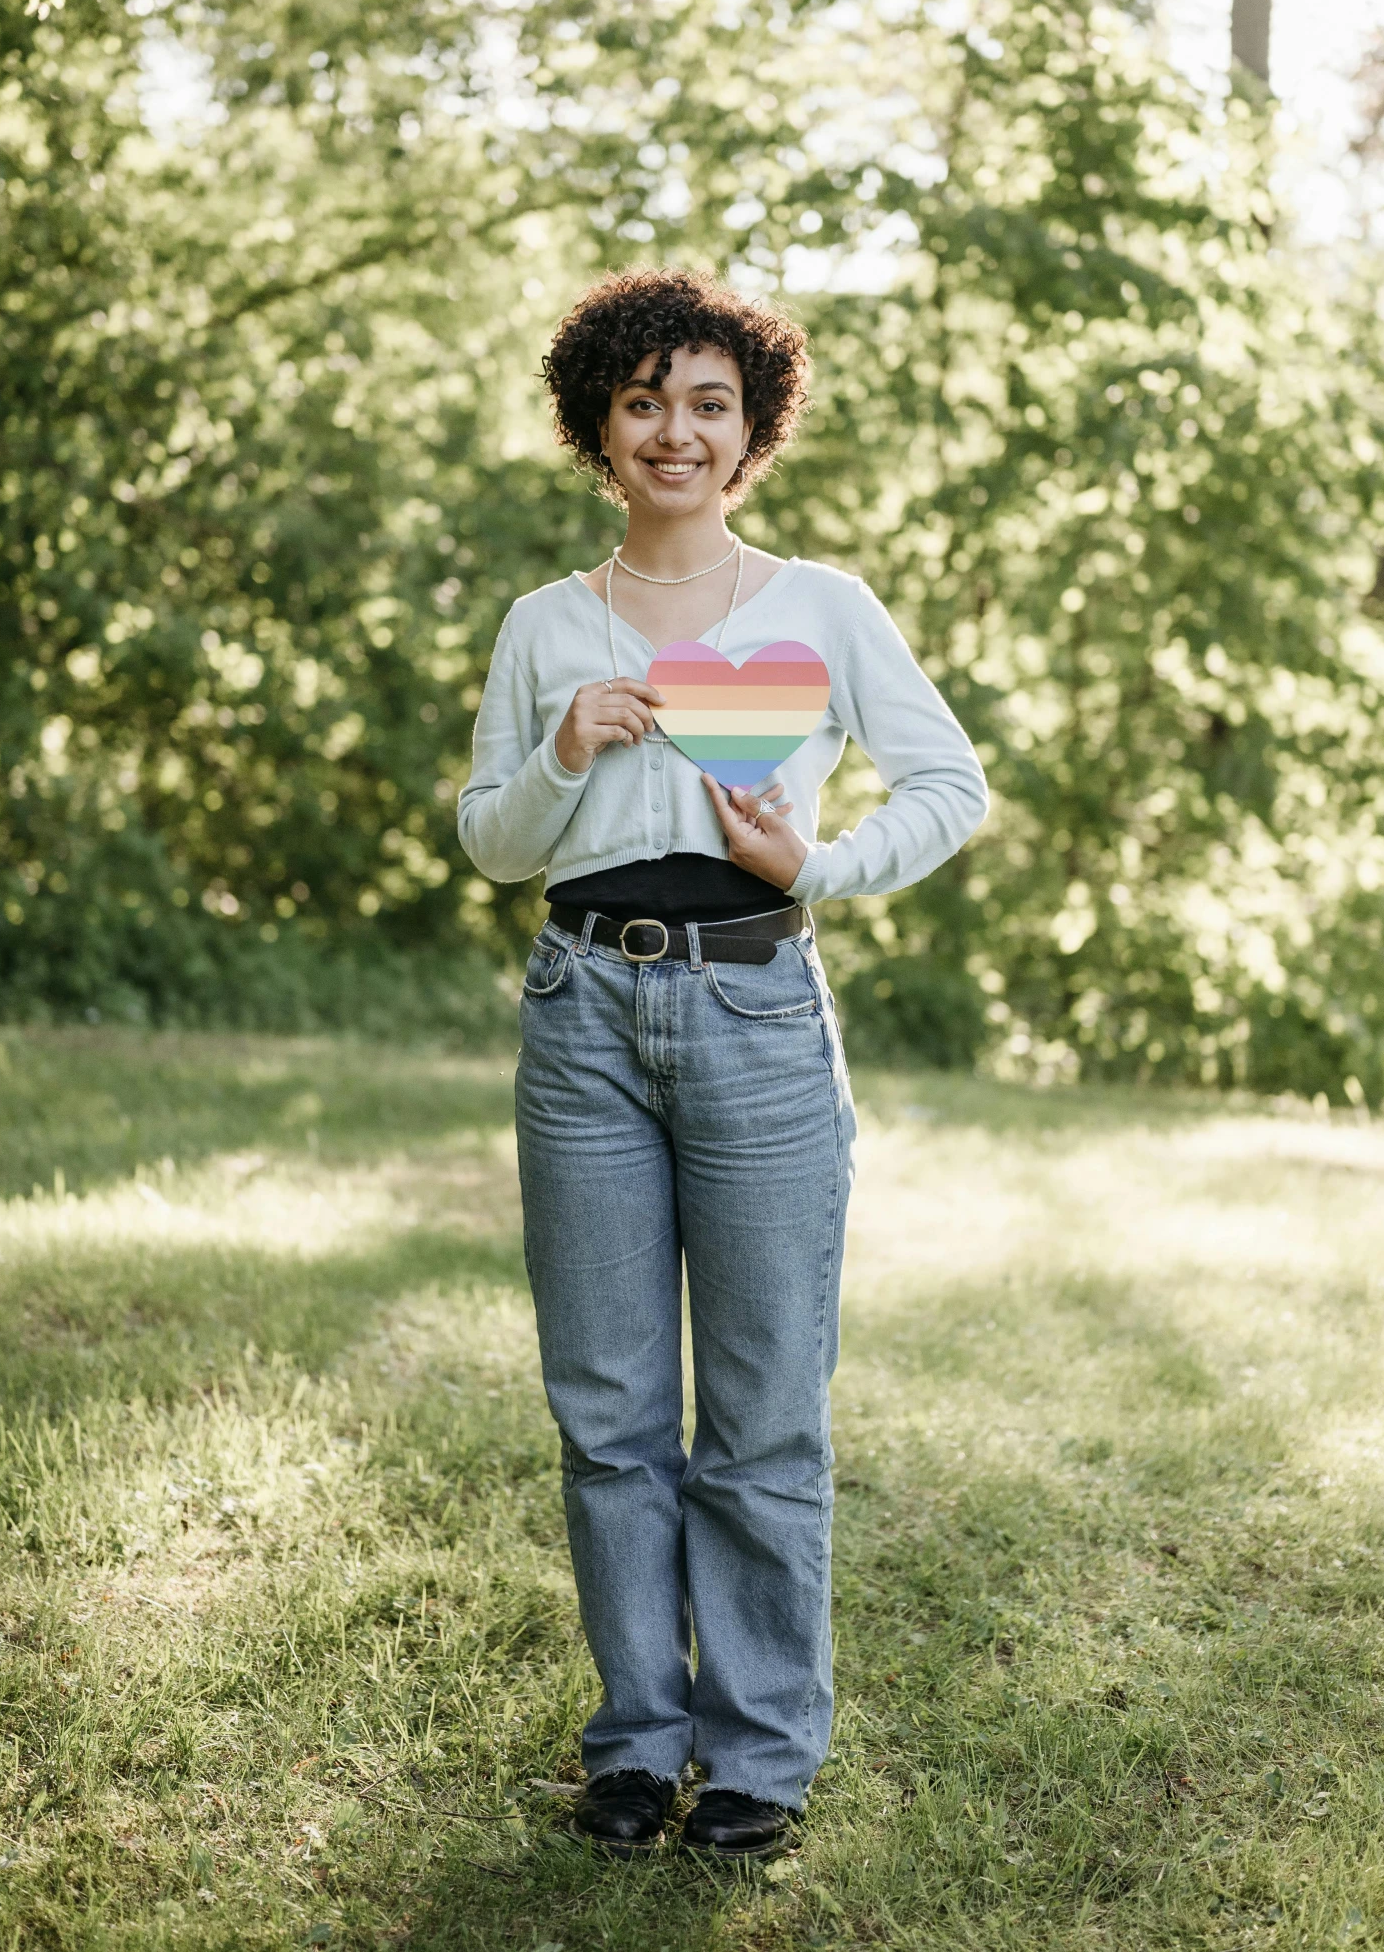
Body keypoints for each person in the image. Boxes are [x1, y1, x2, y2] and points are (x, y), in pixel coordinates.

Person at [457, 269, 988, 1863]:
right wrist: (564, 754)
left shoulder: (821, 608)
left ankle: (756, 1757)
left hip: (757, 1011)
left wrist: (815, 865)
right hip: (581, 1015)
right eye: (641, 401)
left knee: (761, 1415)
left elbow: (949, 785)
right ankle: (635, 1742)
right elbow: (491, 843)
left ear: (751, 430)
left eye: (707, 402)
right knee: (609, 1409)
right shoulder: (547, 626)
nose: (673, 430)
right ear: (596, 429)